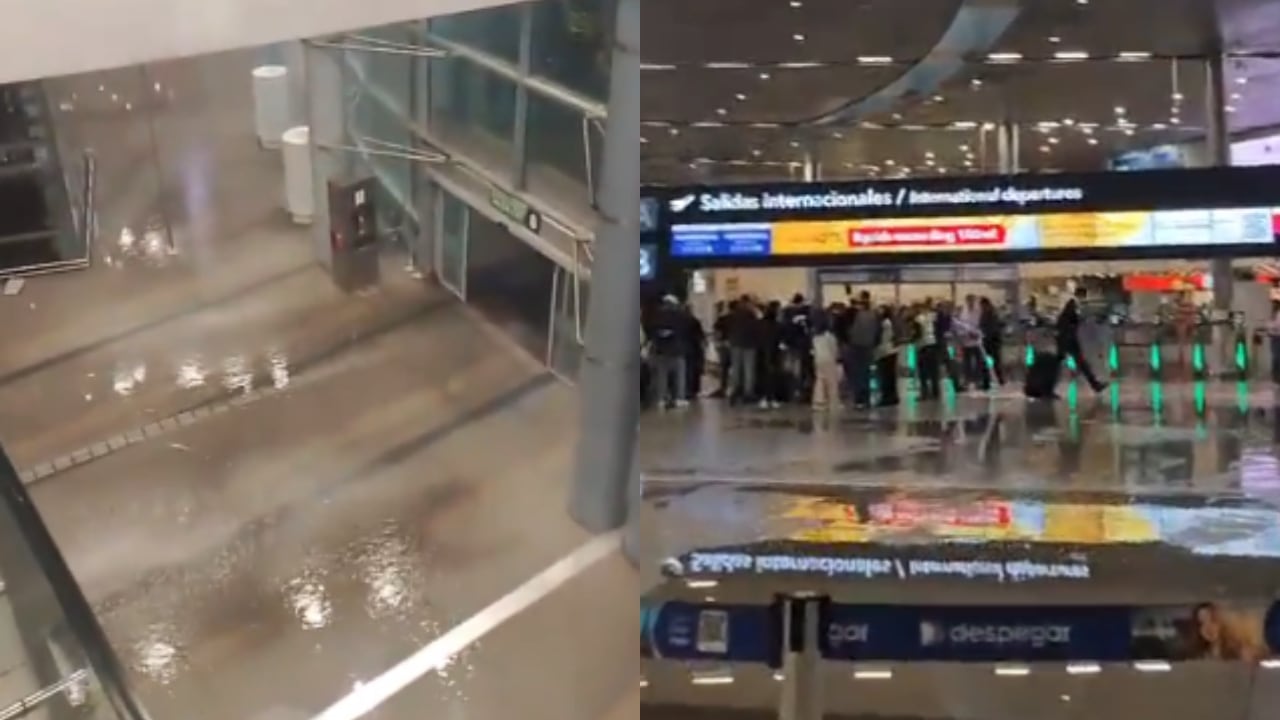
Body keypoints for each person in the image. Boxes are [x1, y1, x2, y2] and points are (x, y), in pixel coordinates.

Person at [1056, 286, 1107, 393]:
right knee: (1062, 362)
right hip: (1067, 339)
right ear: (1081, 295)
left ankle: (1095, 385)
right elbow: (1064, 322)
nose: (1085, 299)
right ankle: (1095, 385)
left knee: (1079, 362)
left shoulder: (1073, 305)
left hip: (1067, 338)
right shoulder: (1072, 304)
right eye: (1084, 296)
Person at [648, 295, 688, 408]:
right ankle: (679, 398)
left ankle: (662, 399)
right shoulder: (680, 316)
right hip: (677, 350)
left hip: (661, 350)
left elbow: (652, 332)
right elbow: (684, 330)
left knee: (662, 376)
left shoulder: (656, 316)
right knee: (679, 375)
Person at [846, 291, 878, 409]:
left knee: (857, 374)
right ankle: (866, 399)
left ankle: (859, 399)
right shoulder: (874, 315)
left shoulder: (854, 314)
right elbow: (877, 332)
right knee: (866, 373)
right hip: (868, 346)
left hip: (856, 346)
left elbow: (848, 330)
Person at [726, 296, 760, 405]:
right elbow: (757, 327)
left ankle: (734, 392)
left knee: (736, 369)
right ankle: (748, 393)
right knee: (748, 369)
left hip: (735, 343)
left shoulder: (734, 314)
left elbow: (727, 327)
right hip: (749, 344)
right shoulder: (752, 314)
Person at [782, 293, 815, 402]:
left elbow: (786, 328)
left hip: (792, 344)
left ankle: (794, 390)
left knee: (792, 369)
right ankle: (804, 391)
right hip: (804, 344)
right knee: (804, 368)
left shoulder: (787, 313)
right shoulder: (807, 313)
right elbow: (810, 328)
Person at [811, 313, 842, 411]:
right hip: (829, 359)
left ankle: (818, 402)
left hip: (818, 359)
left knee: (819, 380)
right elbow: (834, 349)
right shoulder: (830, 337)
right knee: (832, 382)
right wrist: (837, 358)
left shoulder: (815, 337)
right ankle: (833, 403)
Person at [757, 301, 785, 409]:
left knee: (762, 376)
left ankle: (764, 398)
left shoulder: (759, 324)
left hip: (761, 353)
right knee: (773, 377)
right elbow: (781, 339)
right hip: (774, 353)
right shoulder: (778, 326)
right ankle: (772, 398)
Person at [915, 298, 942, 400]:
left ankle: (924, 392)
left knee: (923, 372)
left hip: (923, 346)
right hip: (933, 344)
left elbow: (917, 334)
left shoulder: (918, 318)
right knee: (934, 370)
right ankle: (936, 392)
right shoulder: (934, 316)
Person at [956, 294, 984, 390]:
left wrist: (977, 333)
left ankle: (978, 380)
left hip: (977, 340)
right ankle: (967, 380)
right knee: (967, 362)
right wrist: (965, 334)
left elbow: (980, 324)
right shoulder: (963, 312)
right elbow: (960, 325)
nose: (970, 302)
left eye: (972, 300)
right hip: (966, 340)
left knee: (978, 361)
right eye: (969, 300)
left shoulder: (979, 311)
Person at [874, 305, 900, 407]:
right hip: (892, 350)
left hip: (884, 351)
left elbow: (879, 338)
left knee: (885, 376)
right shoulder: (891, 322)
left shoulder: (884, 323)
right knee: (891, 376)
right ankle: (893, 396)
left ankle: (886, 397)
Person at [978, 296, 1005, 390]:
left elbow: (994, 328)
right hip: (988, 340)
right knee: (987, 362)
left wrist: (985, 334)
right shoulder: (985, 314)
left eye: (982, 306)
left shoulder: (992, 314)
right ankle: (987, 381)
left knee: (994, 361)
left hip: (993, 340)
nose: (982, 308)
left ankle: (998, 379)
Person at [710, 301, 732, 398]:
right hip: (733, 345)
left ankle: (723, 388)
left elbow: (717, 330)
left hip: (724, 345)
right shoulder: (730, 318)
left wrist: (718, 343)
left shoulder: (722, 318)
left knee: (724, 368)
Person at [1269, 299, 1280, 384]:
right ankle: (1275, 376)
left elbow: (1276, 325)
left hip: (1277, 337)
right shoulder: (1273, 315)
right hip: (1274, 337)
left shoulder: (1278, 314)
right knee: (1275, 357)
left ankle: (1276, 376)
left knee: (1276, 357)